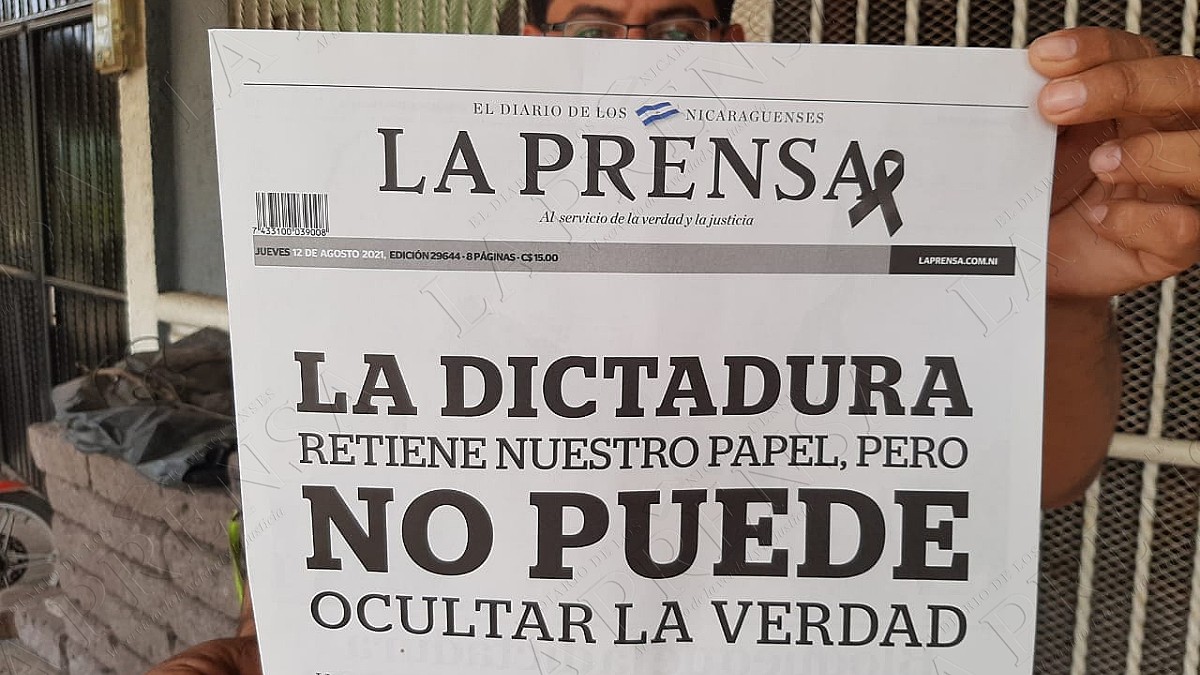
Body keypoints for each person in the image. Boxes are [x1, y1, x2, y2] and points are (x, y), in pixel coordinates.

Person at [148, 1, 1200, 671]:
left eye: (678, 30)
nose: (636, 61)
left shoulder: (839, 229)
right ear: (532, 47)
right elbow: (331, 543)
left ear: (731, 47)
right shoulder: (399, 239)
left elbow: (1023, 481)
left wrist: (1054, 295)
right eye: (591, 32)